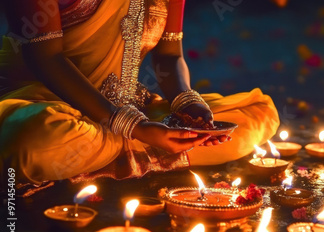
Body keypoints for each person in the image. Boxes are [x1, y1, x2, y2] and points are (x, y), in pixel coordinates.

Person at [0, 0, 279, 189]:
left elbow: (169, 54)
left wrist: (188, 102)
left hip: (128, 107)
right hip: (41, 103)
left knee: (255, 115)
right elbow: (47, 58)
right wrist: (134, 127)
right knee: (32, 144)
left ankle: (124, 150)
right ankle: (147, 147)